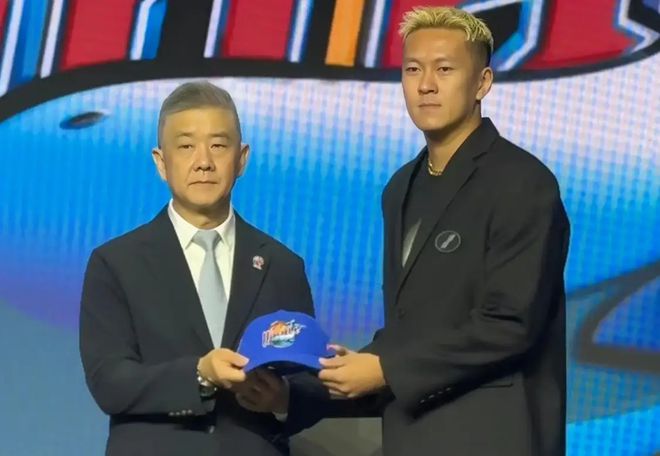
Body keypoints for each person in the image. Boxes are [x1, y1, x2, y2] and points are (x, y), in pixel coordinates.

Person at [318, 7, 570, 456]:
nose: (426, 85)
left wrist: (386, 369)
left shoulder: (522, 182)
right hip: (413, 437)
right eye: (413, 69)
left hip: (493, 439)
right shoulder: (401, 186)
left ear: (482, 83)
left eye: (445, 69)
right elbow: (410, 328)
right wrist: (314, 388)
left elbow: (510, 324)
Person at [80, 81, 322, 455]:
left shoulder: (282, 265)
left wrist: (283, 397)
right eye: (186, 146)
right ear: (161, 162)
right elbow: (109, 382)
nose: (204, 161)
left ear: (242, 158)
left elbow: (309, 377)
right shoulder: (116, 263)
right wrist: (200, 374)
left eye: (219, 145)